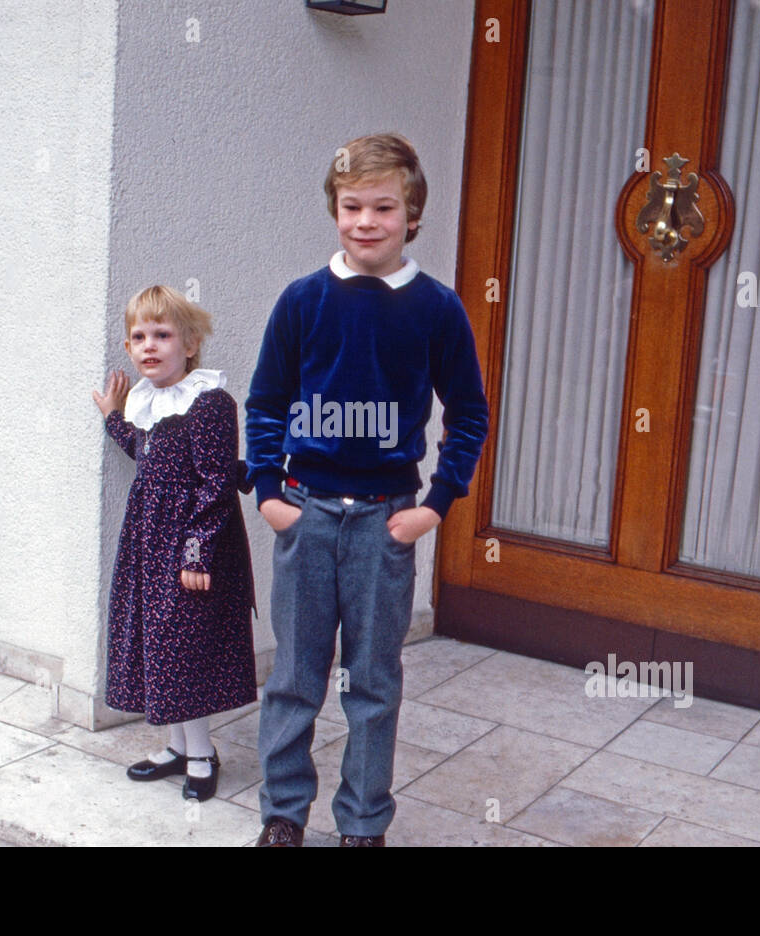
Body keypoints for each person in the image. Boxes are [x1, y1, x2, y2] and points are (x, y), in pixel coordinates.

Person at [245, 132, 490, 846]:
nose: (365, 221)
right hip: (307, 513)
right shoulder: (302, 301)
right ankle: (283, 816)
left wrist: (436, 506)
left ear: (412, 215)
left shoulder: (436, 309)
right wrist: (268, 494)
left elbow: (468, 413)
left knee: (373, 682)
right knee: (294, 677)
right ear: (334, 210)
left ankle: (362, 825)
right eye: (351, 206)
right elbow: (265, 403)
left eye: (383, 207)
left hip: (386, 522)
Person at [92, 284, 257, 803]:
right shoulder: (147, 401)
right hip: (147, 540)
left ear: (189, 344)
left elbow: (214, 484)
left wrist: (196, 552)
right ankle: (176, 746)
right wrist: (114, 418)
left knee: (184, 651)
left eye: (162, 335)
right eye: (138, 336)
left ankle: (203, 754)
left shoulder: (209, 403)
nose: (149, 345)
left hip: (189, 545)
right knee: (158, 646)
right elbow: (147, 455)